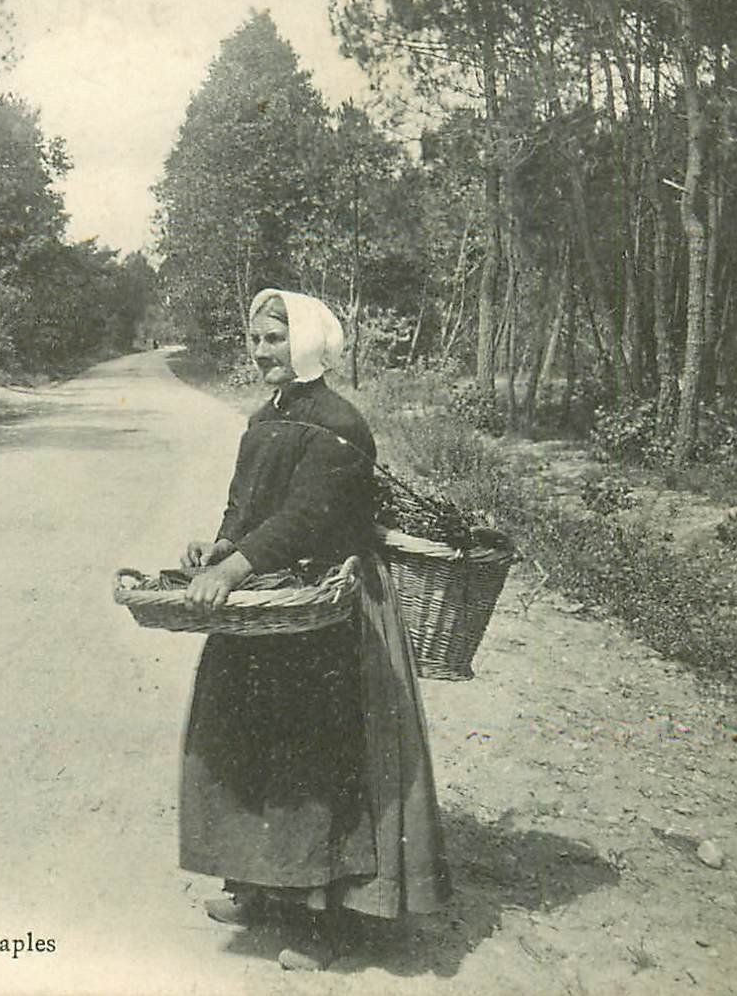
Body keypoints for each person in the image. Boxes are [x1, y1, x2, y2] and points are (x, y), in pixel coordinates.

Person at [178, 288, 450, 971]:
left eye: (274, 338)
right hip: (271, 602)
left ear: (306, 343)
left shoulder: (339, 424)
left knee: (313, 757)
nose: (260, 350)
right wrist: (220, 545)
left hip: (326, 609)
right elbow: (245, 506)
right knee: (244, 739)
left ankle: (325, 922)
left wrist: (235, 567)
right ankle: (258, 888)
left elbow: (307, 519)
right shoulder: (263, 418)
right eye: (255, 338)